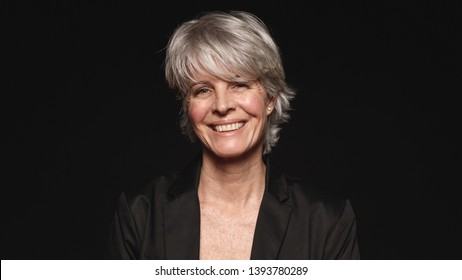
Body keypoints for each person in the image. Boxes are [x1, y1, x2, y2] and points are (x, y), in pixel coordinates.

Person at [106, 10, 360, 260]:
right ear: (187, 105)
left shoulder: (327, 222)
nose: (222, 105)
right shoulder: (140, 214)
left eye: (239, 85)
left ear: (270, 98)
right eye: (203, 90)